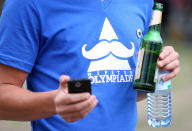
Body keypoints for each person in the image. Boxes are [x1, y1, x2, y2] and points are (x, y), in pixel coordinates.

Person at [0, 0, 180, 131]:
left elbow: (118, 91)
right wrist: (53, 103)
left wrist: (158, 70)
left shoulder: (142, 3)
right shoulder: (26, 4)